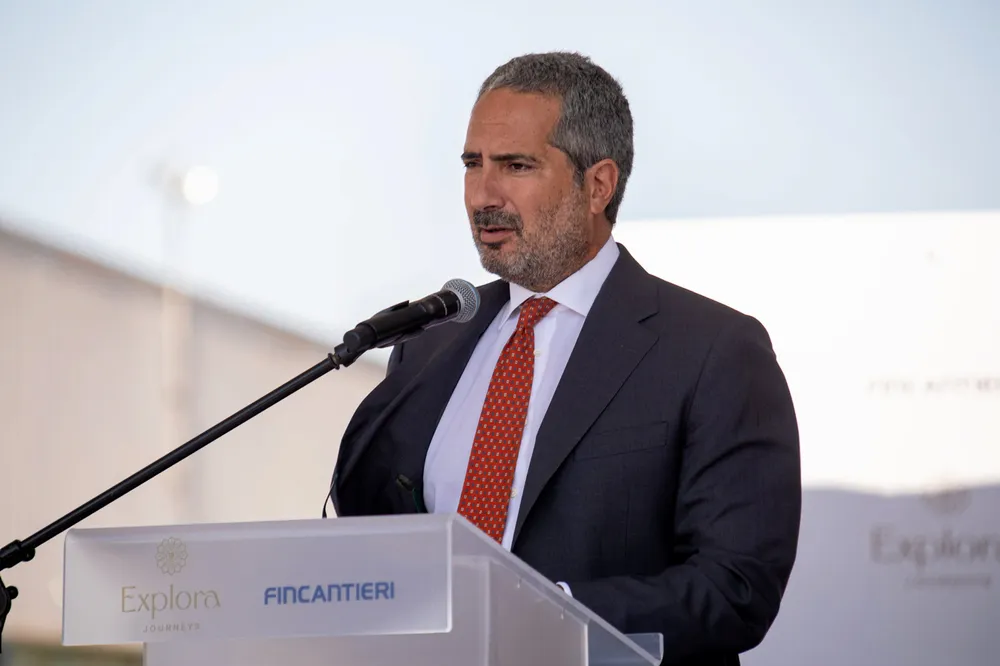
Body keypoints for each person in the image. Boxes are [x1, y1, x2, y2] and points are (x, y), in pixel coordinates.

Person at [328, 51, 801, 665]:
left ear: (598, 185)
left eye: (516, 165)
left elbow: (735, 588)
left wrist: (546, 613)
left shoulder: (713, 350)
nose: (482, 194)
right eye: (472, 164)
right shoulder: (429, 344)